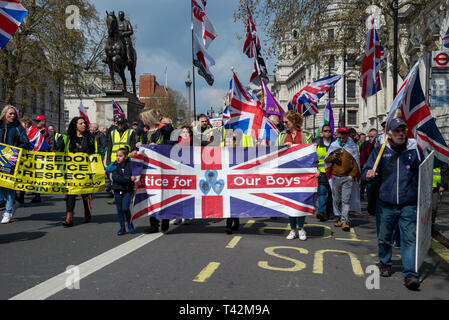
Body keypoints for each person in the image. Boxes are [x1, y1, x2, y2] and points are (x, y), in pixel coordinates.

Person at [363, 118, 423, 290]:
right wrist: (368, 174)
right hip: (386, 204)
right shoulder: (380, 150)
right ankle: (385, 263)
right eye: (397, 131)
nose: (401, 134)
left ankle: (410, 273)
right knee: (384, 238)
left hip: (408, 204)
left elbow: (424, 171)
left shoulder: (414, 150)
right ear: (389, 134)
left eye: (403, 130)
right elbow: (366, 169)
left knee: (409, 239)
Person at [138, 108, 174, 233]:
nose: (141, 120)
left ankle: (165, 218)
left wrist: (154, 146)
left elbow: (169, 141)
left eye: (143, 118)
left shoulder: (163, 129)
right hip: (147, 168)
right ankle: (153, 223)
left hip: (161, 167)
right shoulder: (144, 132)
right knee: (149, 196)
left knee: (162, 193)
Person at [60, 117, 98, 228]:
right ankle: (69, 217)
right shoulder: (67, 139)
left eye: (84, 123)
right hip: (71, 172)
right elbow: (60, 153)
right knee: (71, 194)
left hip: (85, 171)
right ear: (75, 125)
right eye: (81, 123)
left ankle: (87, 211)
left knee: (85, 193)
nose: (84, 125)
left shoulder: (90, 139)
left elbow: (94, 155)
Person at [277, 110, 308, 240]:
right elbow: (276, 153)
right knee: (289, 202)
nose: (284, 124)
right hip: (287, 173)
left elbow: (310, 153)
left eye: (286, 122)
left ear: (294, 121)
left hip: (302, 173)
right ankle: (292, 229)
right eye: (283, 122)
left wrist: (294, 146)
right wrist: (284, 148)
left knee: (301, 201)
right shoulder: (282, 135)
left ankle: (301, 228)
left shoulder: (306, 135)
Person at [325, 126, 360, 232]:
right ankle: (341, 218)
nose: (342, 138)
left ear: (347, 135)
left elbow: (356, 164)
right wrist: (333, 157)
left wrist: (351, 176)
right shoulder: (334, 145)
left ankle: (345, 221)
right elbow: (327, 160)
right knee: (337, 200)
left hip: (347, 178)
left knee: (345, 200)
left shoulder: (352, 146)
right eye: (340, 135)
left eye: (344, 135)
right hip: (336, 177)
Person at [0, 105, 31, 224]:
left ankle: (7, 212)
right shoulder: (0, 125)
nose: (12, 116)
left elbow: (25, 142)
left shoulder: (18, 127)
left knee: (9, 186)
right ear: (4, 114)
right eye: (10, 114)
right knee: (1, 186)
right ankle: (13, 203)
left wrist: (16, 151)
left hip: (12, 160)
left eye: (14, 114)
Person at [106, 117, 137, 204]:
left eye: (121, 124)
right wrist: (108, 161)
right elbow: (109, 147)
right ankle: (116, 197)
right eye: (118, 124)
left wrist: (131, 158)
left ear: (125, 124)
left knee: (127, 178)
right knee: (114, 179)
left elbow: (133, 146)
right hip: (114, 159)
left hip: (127, 159)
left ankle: (128, 195)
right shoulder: (112, 133)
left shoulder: (131, 132)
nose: (119, 125)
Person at [105, 148, 135, 235]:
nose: (118, 158)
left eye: (120, 156)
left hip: (127, 190)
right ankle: (122, 228)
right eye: (117, 156)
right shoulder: (114, 166)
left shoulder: (130, 165)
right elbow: (115, 176)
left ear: (126, 157)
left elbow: (137, 166)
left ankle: (130, 224)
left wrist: (130, 158)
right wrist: (129, 179)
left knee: (125, 208)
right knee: (119, 210)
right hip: (117, 190)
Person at [173, 126, 194, 226]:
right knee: (178, 194)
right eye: (183, 132)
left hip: (190, 172)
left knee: (187, 194)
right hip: (178, 172)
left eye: (187, 132)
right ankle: (178, 217)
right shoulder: (175, 144)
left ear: (190, 134)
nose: (185, 133)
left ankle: (187, 216)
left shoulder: (194, 143)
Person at [315, 124, 335, 222]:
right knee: (322, 192)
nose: (328, 133)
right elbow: (313, 158)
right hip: (322, 173)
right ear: (321, 133)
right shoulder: (317, 143)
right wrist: (316, 169)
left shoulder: (335, 143)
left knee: (332, 194)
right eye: (325, 131)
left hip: (333, 173)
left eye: (329, 131)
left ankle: (329, 211)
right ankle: (321, 212)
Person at [360, 129, 378, 211]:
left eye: (373, 137)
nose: (371, 139)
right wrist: (364, 164)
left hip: (378, 172)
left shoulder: (380, 146)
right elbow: (362, 157)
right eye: (369, 137)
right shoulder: (366, 145)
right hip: (369, 170)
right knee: (369, 188)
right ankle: (370, 205)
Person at [431, 161, 449, 228]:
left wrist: (443, 185)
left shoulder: (440, 157)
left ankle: (431, 225)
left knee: (434, 208)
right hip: (423, 186)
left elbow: (445, 172)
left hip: (435, 187)